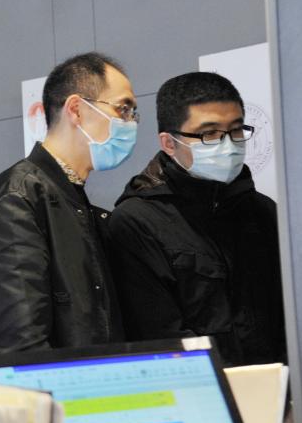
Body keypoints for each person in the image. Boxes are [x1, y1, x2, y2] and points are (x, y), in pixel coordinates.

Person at [109, 72, 286, 366]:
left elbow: (288, 318)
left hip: (278, 384)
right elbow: (160, 336)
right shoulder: (136, 222)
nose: (228, 145)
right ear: (169, 143)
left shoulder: (262, 211)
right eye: (210, 134)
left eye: (236, 130)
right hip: (199, 385)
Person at [0, 52, 137, 352]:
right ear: (76, 110)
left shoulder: (72, 196)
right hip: (57, 381)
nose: (130, 122)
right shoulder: (18, 197)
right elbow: (20, 343)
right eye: (123, 109)